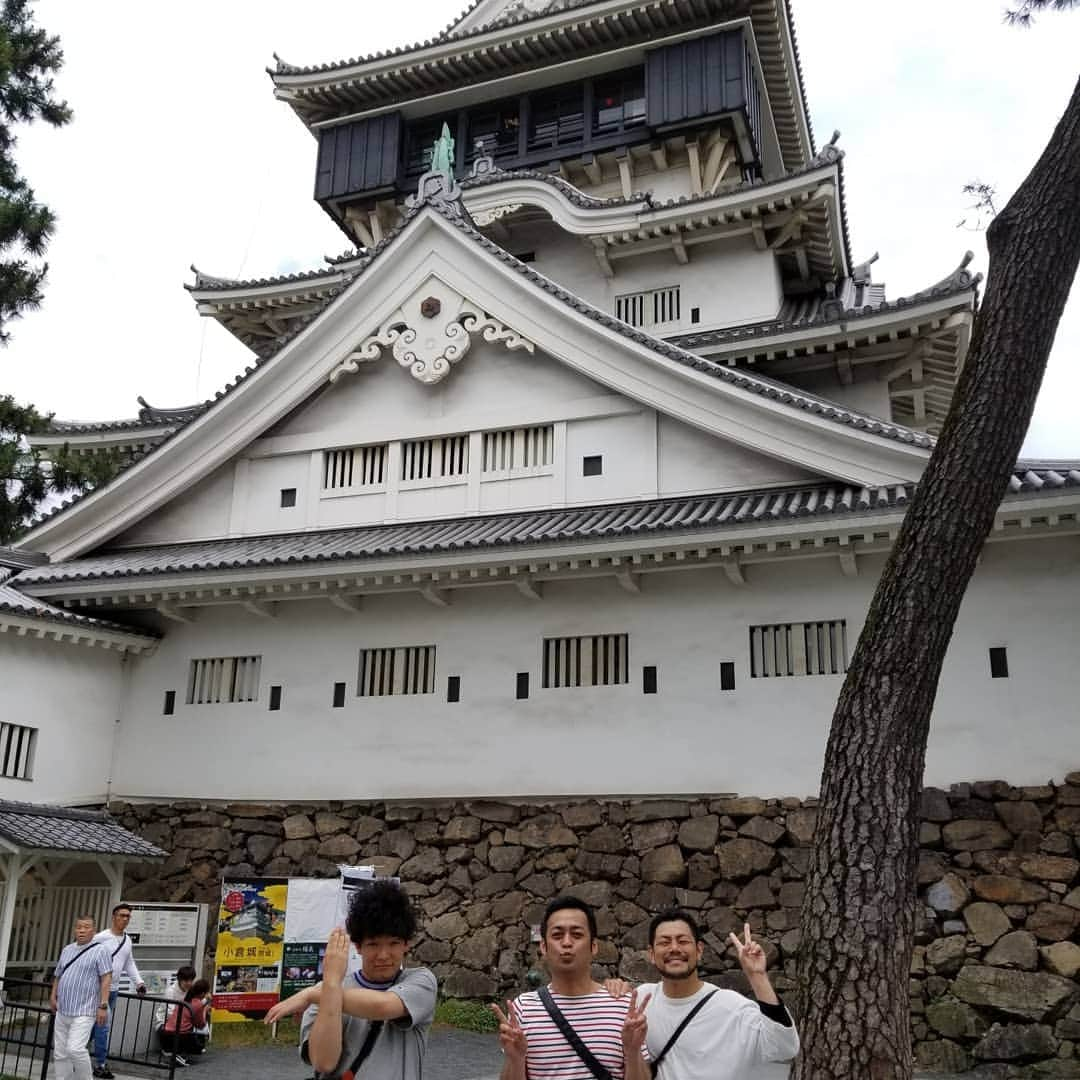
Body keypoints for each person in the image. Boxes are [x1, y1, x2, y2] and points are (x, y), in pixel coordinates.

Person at [263, 880, 437, 1079]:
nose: (383, 954)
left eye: (393, 943)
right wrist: (328, 986)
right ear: (358, 946)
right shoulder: (328, 989)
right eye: (373, 944)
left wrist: (315, 993)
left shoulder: (421, 981)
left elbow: (383, 1007)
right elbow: (323, 1062)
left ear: (407, 944)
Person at [491, 895, 650, 1080]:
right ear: (543, 946)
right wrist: (515, 1059)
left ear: (594, 946)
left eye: (577, 934)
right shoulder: (523, 1008)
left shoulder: (623, 1005)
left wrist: (632, 1052)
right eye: (557, 935)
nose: (567, 943)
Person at [637, 909, 798, 1080]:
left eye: (683, 941)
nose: (674, 948)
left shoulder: (731, 1007)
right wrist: (613, 985)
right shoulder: (641, 1000)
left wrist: (757, 976)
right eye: (664, 942)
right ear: (652, 954)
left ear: (699, 950)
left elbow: (784, 1047)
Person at [50, 916, 112, 1080]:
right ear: (74, 929)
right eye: (79, 927)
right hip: (63, 1008)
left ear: (94, 930)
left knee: (75, 1049)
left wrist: (103, 1005)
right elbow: (58, 975)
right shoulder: (67, 949)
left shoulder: (101, 950)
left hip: (85, 1010)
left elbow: (106, 978)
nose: (82, 930)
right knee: (60, 1052)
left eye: (86, 927)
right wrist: (53, 995)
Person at [91, 903, 147, 1079]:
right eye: (122, 915)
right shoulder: (100, 938)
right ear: (114, 917)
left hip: (113, 990)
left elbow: (128, 962)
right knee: (103, 1026)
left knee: (95, 1027)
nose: (125, 919)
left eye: (128, 916)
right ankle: (100, 1064)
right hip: (98, 989)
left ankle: (76, 1052)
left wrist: (139, 982)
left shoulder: (127, 940)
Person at [158, 979, 212, 1065]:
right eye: (207, 992)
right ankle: (180, 1056)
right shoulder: (198, 1004)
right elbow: (200, 1025)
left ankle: (175, 1054)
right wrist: (205, 1010)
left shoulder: (186, 999)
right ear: (203, 993)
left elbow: (195, 1006)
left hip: (165, 1034)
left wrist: (204, 1004)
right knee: (200, 1043)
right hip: (180, 1037)